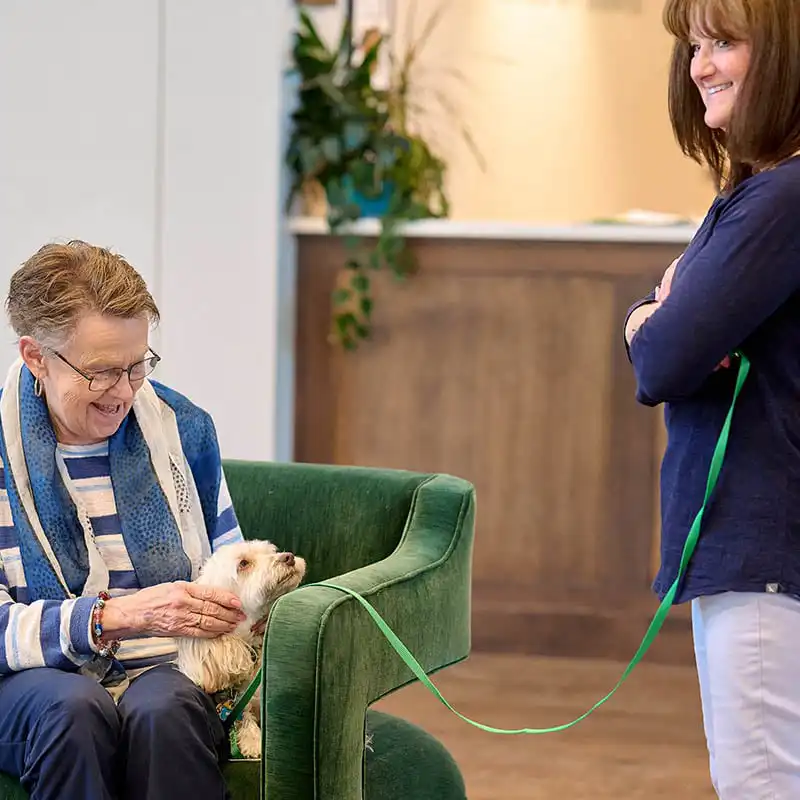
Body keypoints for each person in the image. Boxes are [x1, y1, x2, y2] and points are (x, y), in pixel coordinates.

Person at [624, 0, 800, 796]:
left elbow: (664, 358)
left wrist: (648, 320)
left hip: (761, 552)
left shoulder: (780, 201)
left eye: (723, 42)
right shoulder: (765, 191)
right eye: (694, 45)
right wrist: (658, 317)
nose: (699, 66)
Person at [0, 240, 248, 800]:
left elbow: (229, 566)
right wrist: (108, 619)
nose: (126, 392)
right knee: (73, 706)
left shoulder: (183, 429)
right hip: (29, 684)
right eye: (102, 372)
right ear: (36, 356)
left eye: (138, 365)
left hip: (165, 671)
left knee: (163, 709)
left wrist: (243, 607)